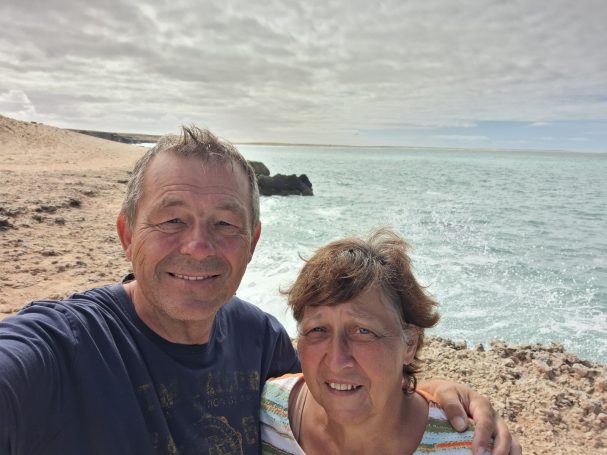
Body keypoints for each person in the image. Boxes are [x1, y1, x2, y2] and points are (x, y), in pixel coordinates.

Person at [0, 127, 518, 455]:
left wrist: (427, 397)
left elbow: (338, 384)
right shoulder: (61, 347)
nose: (198, 246)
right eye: (172, 219)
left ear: (251, 243)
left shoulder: (257, 338)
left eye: (225, 224)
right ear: (127, 235)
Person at [261, 228, 516, 454]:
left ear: (410, 344)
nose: (337, 360)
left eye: (363, 331)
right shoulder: (263, 414)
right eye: (318, 329)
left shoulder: (469, 448)